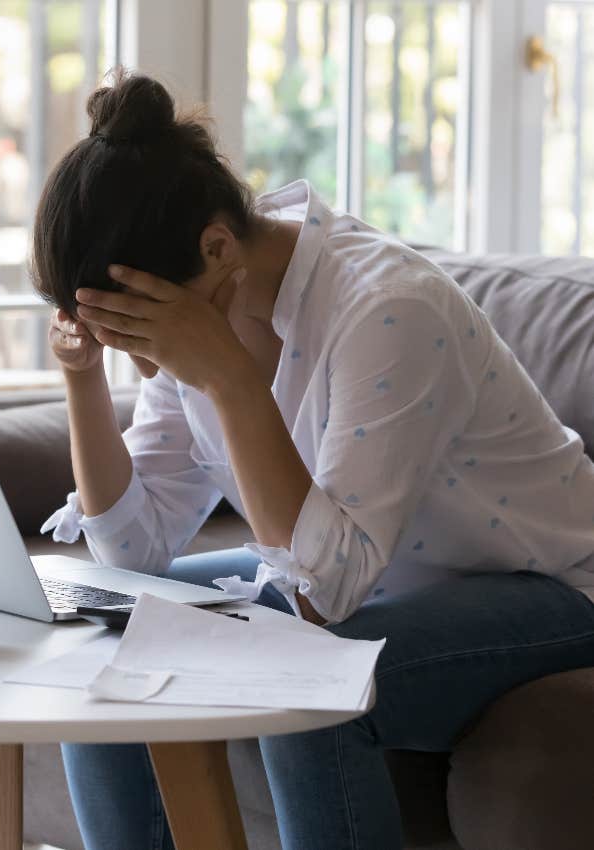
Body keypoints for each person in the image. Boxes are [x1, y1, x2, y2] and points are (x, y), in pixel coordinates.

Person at [31, 70, 594, 850]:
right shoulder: (197, 307)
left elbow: (321, 593)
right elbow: (134, 552)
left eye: (137, 330)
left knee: (304, 682)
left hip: (552, 586)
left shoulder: (387, 309)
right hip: (374, 581)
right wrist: (84, 378)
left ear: (218, 247)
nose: (144, 359)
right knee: (107, 629)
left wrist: (230, 378)